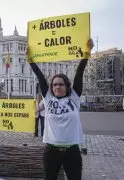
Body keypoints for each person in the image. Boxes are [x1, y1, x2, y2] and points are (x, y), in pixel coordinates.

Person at [28, 39, 94, 180]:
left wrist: (86, 54)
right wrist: (31, 60)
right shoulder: (48, 98)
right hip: (51, 152)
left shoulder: (74, 97)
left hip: (72, 152)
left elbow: (79, 72)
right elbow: (40, 76)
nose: (57, 87)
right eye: (54, 85)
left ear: (67, 86)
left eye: (61, 84)